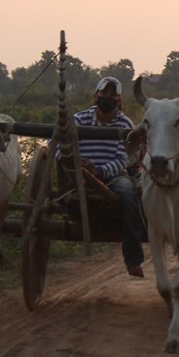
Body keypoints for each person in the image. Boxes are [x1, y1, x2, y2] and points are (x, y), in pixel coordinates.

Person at [74, 76, 145, 277]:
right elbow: (60, 148)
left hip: (113, 177)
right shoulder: (78, 119)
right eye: (104, 93)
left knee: (130, 194)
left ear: (119, 100)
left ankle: (133, 259)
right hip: (81, 177)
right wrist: (77, 163)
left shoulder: (125, 123)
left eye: (113, 94)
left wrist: (100, 171)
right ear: (96, 96)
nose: (108, 97)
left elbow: (123, 159)